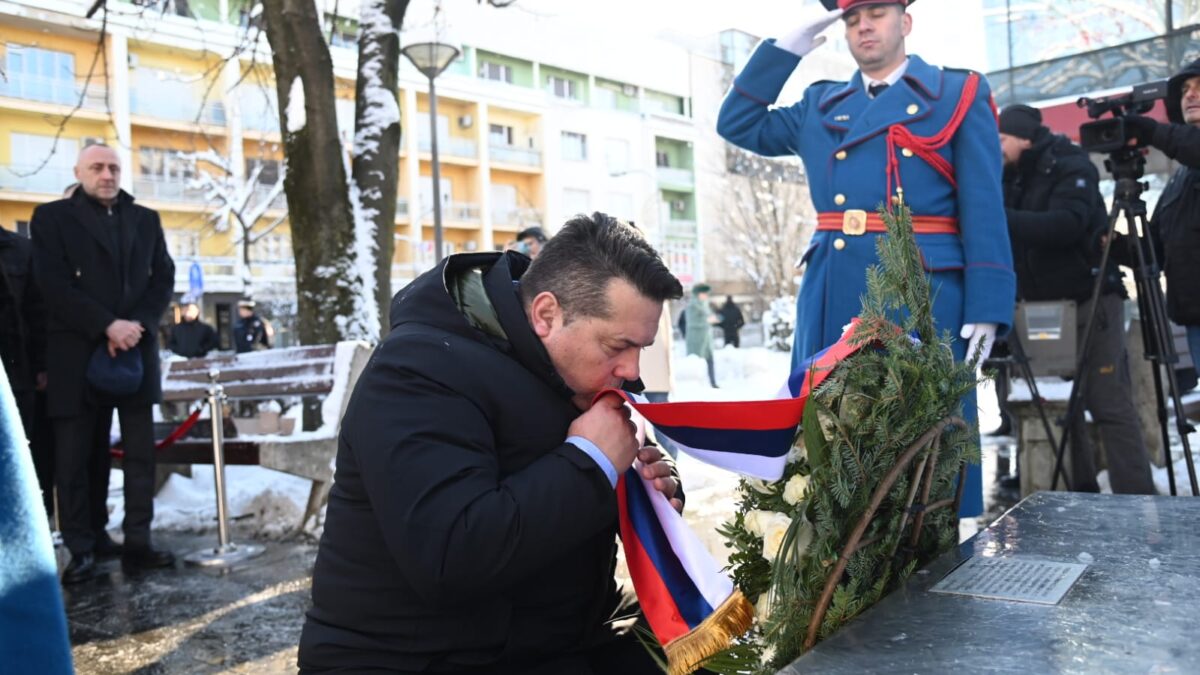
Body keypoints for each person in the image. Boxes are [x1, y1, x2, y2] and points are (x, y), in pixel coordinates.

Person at [299, 213, 685, 674]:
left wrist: (650, 487)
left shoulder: (571, 370)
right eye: (616, 346)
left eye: (641, 348)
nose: (632, 371)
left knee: (706, 643)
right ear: (546, 314)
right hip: (410, 658)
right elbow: (450, 557)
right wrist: (590, 462)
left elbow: (576, 494)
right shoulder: (415, 371)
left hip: (560, 636)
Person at [717, 0, 1016, 517]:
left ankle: (930, 549)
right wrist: (784, 50)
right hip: (834, 287)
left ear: (906, 21)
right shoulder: (821, 104)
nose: (864, 26)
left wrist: (988, 303)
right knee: (830, 442)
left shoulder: (957, 93)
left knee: (922, 443)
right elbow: (738, 123)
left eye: (876, 12)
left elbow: (984, 203)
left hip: (923, 290)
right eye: (852, 19)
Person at [31, 143, 176, 584]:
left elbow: (162, 278)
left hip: (135, 351)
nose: (107, 175)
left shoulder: (145, 219)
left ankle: (138, 543)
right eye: (97, 167)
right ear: (79, 172)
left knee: (140, 455)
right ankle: (82, 547)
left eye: (114, 167)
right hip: (76, 354)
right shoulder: (51, 219)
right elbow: (52, 285)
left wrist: (135, 326)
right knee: (75, 458)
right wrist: (107, 325)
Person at [999, 104, 1155, 495]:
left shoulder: (1069, 163)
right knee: (1060, 407)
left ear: (1024, 139)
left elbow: (1066, 225)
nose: (996, 147)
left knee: (1108, 403)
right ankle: (1080, 493)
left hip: (1090, 299)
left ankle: (1136, 499)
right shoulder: (1010, 174)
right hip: (1042, 307)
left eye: (1002, 138)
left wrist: (998, 218)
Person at [1112, 59, 1200, 371]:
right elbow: (1155, 252)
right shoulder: (1181, 178)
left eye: (1199, 87)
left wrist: (1153, 132)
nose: (1190, 94)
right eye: (1185, 89)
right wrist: (1111, 242)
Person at [0, 225, 50, 514]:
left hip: (16, 374)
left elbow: (37, 312)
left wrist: (42, 366)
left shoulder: (21, 249)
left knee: (17, 459)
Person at [685, 283, 719, 388]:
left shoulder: (705, 305)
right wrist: (707, 321)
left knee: (710, 360)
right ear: (698, 294)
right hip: (696, 339)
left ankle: (713, 382)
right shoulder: (692, 306)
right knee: (696, 362)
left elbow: (710, 317)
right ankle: (698, 384)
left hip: (706, 339)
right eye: (704, 293)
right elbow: (691, 322)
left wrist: (713, 319)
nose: (706, 295)